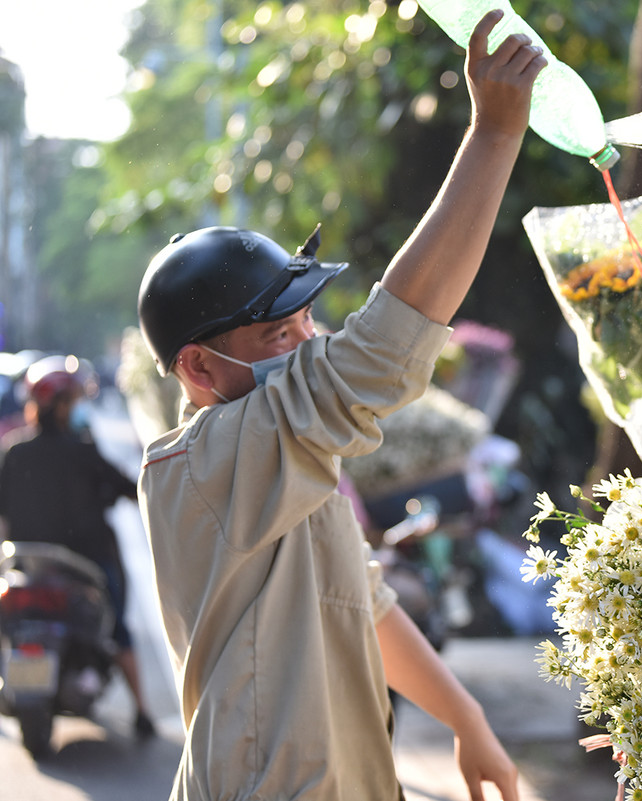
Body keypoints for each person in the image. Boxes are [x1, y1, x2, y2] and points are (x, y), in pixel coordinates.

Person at [134, 11, 541, 801]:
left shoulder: (283, 467)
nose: (306, 344)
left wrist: (467, 719)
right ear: (198, 368)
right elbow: (378, 354)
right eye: (276, 334)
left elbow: (364, 600)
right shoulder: (204, 463)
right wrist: (493, 138)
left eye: (304, 322)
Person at [0, 354, 157, 737]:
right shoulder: (83, 452)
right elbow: (133, 488)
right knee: (117, 627)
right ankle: (142, 713)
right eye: (73, 402)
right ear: (59, 406)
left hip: (26, 566)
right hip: (86, 564)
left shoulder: (14, 452)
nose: (79, 409)